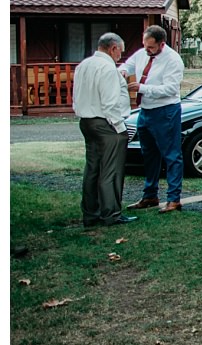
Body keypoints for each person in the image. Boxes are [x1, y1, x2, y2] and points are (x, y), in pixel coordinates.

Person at [73, 32, 136, 226]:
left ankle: (91, 213)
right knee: (111, 171)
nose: (120, 57)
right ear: (113, 48)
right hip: (105, 123)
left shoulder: (83, 65)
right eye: (120, 52)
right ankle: (111, 213)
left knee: (92, 168)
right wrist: (120, 128)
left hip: (86, 121)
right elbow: (109, 104)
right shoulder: (108, 69)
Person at [121, 25, 186, 212]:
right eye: (144, 45)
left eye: (150, 47)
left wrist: (141, 88)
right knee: (148, 154)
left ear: (162, 44)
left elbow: (170, 89)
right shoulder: (142, 53)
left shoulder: (173, 60)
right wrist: (123, 71)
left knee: (171, 155)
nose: (146, 50)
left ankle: (174, 199)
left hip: (165, 111)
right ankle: (150, 195)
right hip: (145, 110)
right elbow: (128, 63)